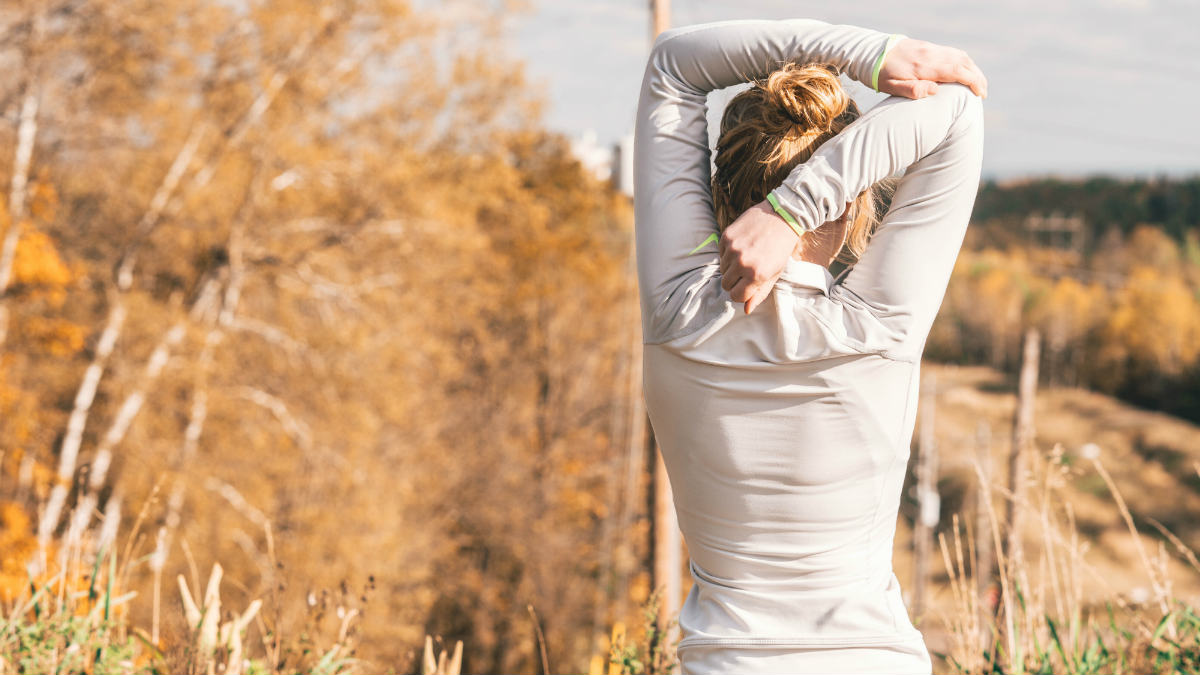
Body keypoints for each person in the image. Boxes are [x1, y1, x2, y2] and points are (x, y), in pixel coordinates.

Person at [633, 18, 987, 675]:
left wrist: (870, 57)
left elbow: (674, 65)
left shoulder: (676, 312)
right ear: (853, 206)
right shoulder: (877, 329)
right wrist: (794, 210)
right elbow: (958, 109)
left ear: (717, 196)